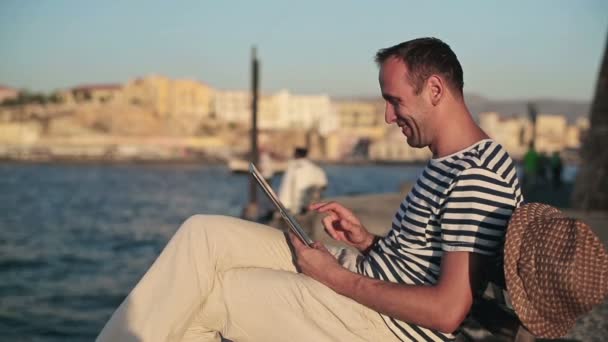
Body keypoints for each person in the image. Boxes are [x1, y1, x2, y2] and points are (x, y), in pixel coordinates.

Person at [97, 37, 523, 342]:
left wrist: (335, 277)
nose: (388, 117)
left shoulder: (476, 176)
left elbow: (447, 312)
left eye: (394, 100)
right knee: (203, 233)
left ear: (434, 89)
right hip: (367, 277)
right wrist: (368, 242)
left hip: (389, 326)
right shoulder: (450, 161)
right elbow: (421, 263)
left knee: (208, 299)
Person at [278, 147, 328, 215]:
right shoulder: (316, 169)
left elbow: (285, 190)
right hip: (307, 206)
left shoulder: (292, 168)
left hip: (291, 207)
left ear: (296, 154)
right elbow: (323, 185)